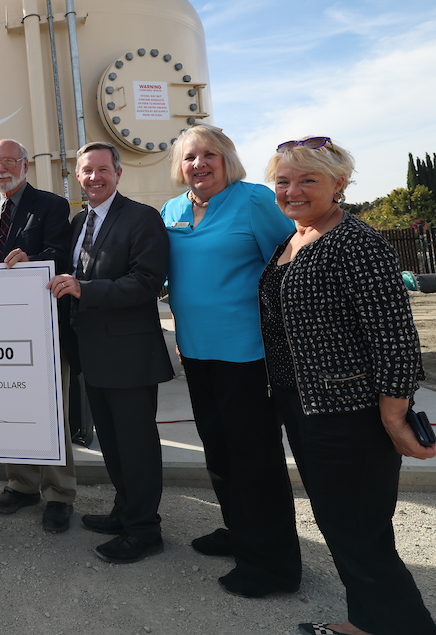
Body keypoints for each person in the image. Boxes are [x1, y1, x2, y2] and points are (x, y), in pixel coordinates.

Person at [260, 137, 436, 635]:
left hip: (349, 413)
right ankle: (366, 622)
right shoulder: (294, 239)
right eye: (283, 181)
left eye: (307, 180)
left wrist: (393, 415)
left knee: (359, 532)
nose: (292, 190)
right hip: (306, 407)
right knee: (342, 525)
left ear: (339, 184)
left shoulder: (357, 243)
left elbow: (395, 338)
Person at [159, 126, 301, 597]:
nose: (198, 164)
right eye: (189, 157)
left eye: (208, 155)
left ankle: (274, 565)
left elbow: (289, 267)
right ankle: (240, 532)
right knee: (218, 450)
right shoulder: (173, 210)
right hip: (197, 353)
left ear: (227, 159)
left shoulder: (254, 201)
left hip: (248, 355)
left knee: (254, 457)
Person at [48, 142, 172, 564]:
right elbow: (66, 268)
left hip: (130, 357)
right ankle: (125, 511)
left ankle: (144, 530)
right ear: (77, 176)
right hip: (93, 355)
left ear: (118, 173)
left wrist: (86, 289)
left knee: (136, 447)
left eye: (103, 170)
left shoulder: (142, 218)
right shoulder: (80, 220)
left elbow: (146, 282)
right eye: (86, 171)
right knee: (115, 446)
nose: (94, 178)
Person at [0, 138, 77, 534]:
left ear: (25, 165)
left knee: (51, 412)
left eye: (8, 161)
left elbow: (62, 256)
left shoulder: (50, 205)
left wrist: (34, 261)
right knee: (11, 408)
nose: (1, 168)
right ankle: (22, 483)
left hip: (42, 329)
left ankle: (59, 493)